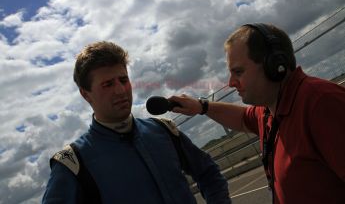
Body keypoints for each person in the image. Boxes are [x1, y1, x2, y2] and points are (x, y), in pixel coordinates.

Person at [169, 23, 345, 204]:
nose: (231, 83)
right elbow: (243, 119)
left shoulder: (321, 104)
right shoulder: (269, 112)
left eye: (238, 72)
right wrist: (201, 107)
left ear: (275, 64)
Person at [42, 41, 231, 204]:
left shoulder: (163, 131)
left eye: (123, 80)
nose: (121, 90)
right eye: (108, 84)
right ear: (86, 94)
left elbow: (208, 173)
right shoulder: (73, 163)